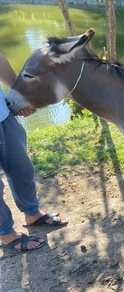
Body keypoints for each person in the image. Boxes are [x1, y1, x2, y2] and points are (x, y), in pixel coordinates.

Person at [0, 52, 68, 252]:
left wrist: (18, 93)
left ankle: (32, 213)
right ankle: (5, 233)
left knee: (21, 167)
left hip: (3, 116)